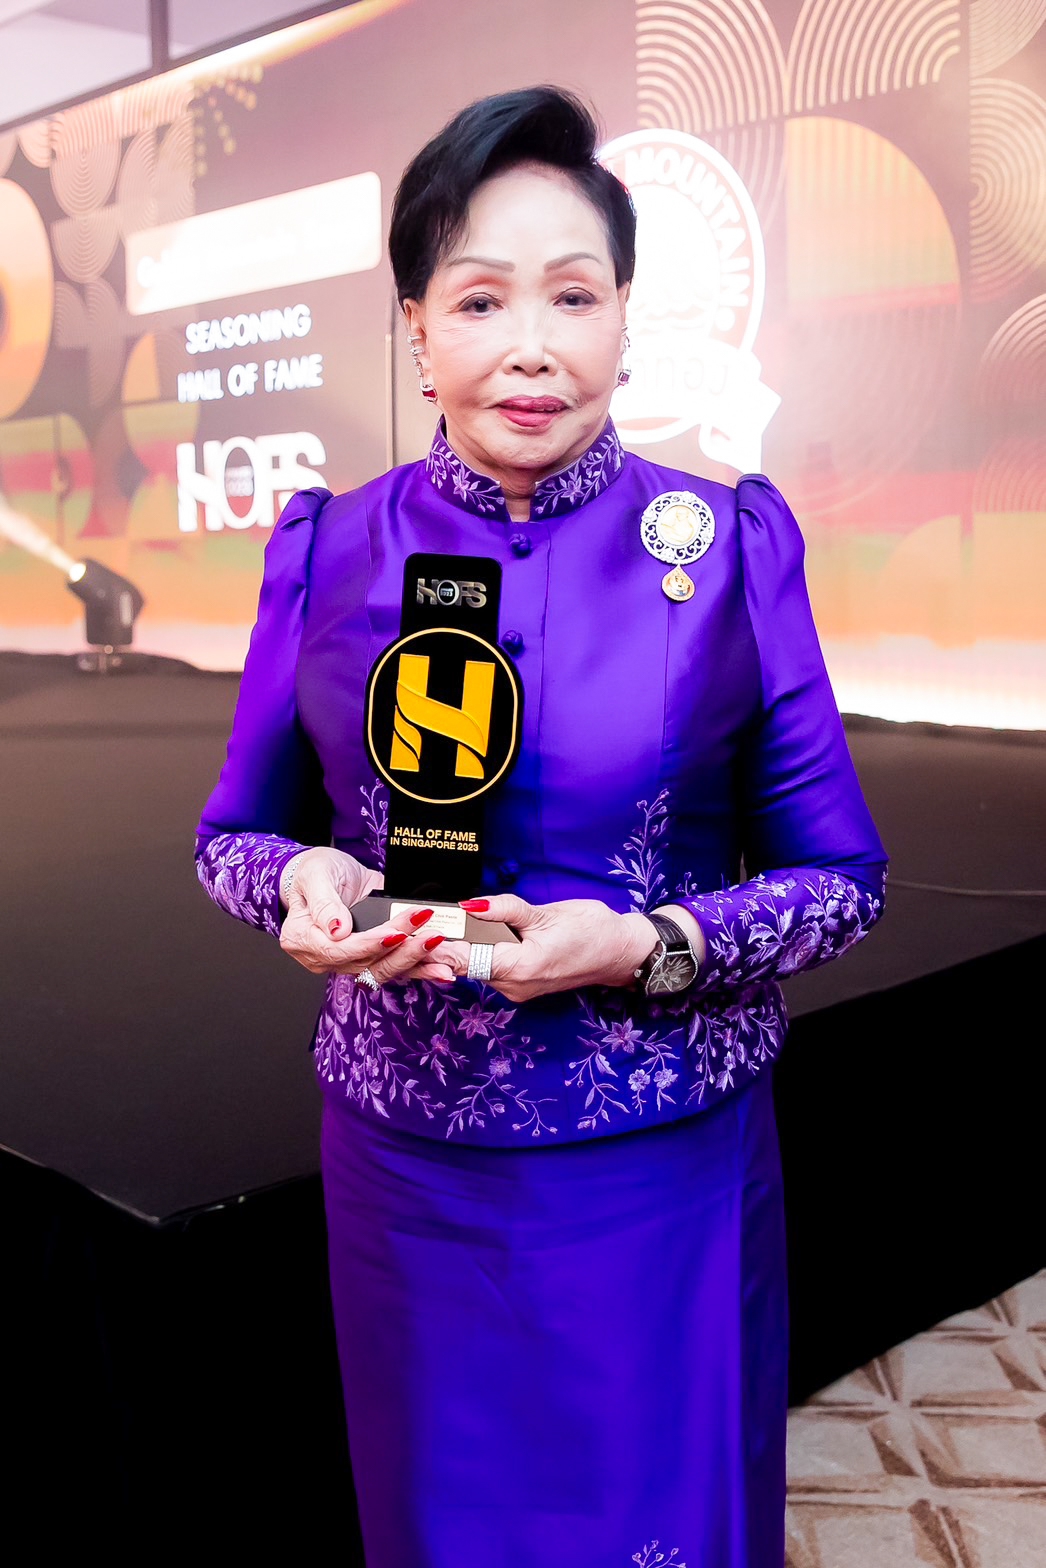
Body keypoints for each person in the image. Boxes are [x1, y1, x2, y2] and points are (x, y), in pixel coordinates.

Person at [196, 86, 886, 1568]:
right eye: (479, 299)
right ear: (415, 325)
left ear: (625, 316)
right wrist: (303, 882)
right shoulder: (327, 551)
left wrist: (646, 943)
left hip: (658, 1165)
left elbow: (842, 878)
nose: (530, 344)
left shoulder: (727, 545)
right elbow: (234, 835)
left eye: (572, 296)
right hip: (407, 1175)